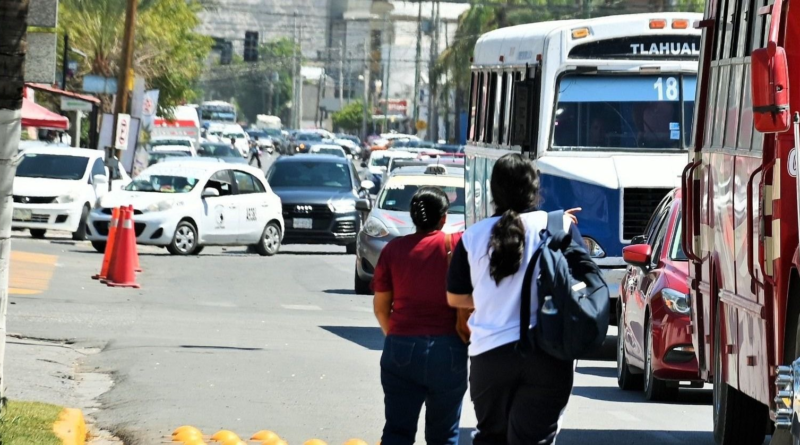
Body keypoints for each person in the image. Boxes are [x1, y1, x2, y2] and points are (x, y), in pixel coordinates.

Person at [446, 153, 583, 445]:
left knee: (491, 438)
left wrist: (489, 294)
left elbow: (456, 299)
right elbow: (579, 284)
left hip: (489, 359)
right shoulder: (559, 225)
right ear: (535, 190)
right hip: (546, 355)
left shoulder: (472, 237)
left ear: (493, 191)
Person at [372, 187, 468, 445]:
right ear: (444, 218)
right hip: (448, 349)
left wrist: (397, 336)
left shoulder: (393, 251)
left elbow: (381, 307)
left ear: (412, 217)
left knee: (397, 432)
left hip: (401, 346)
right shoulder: (458, 244)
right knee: (444, 435)